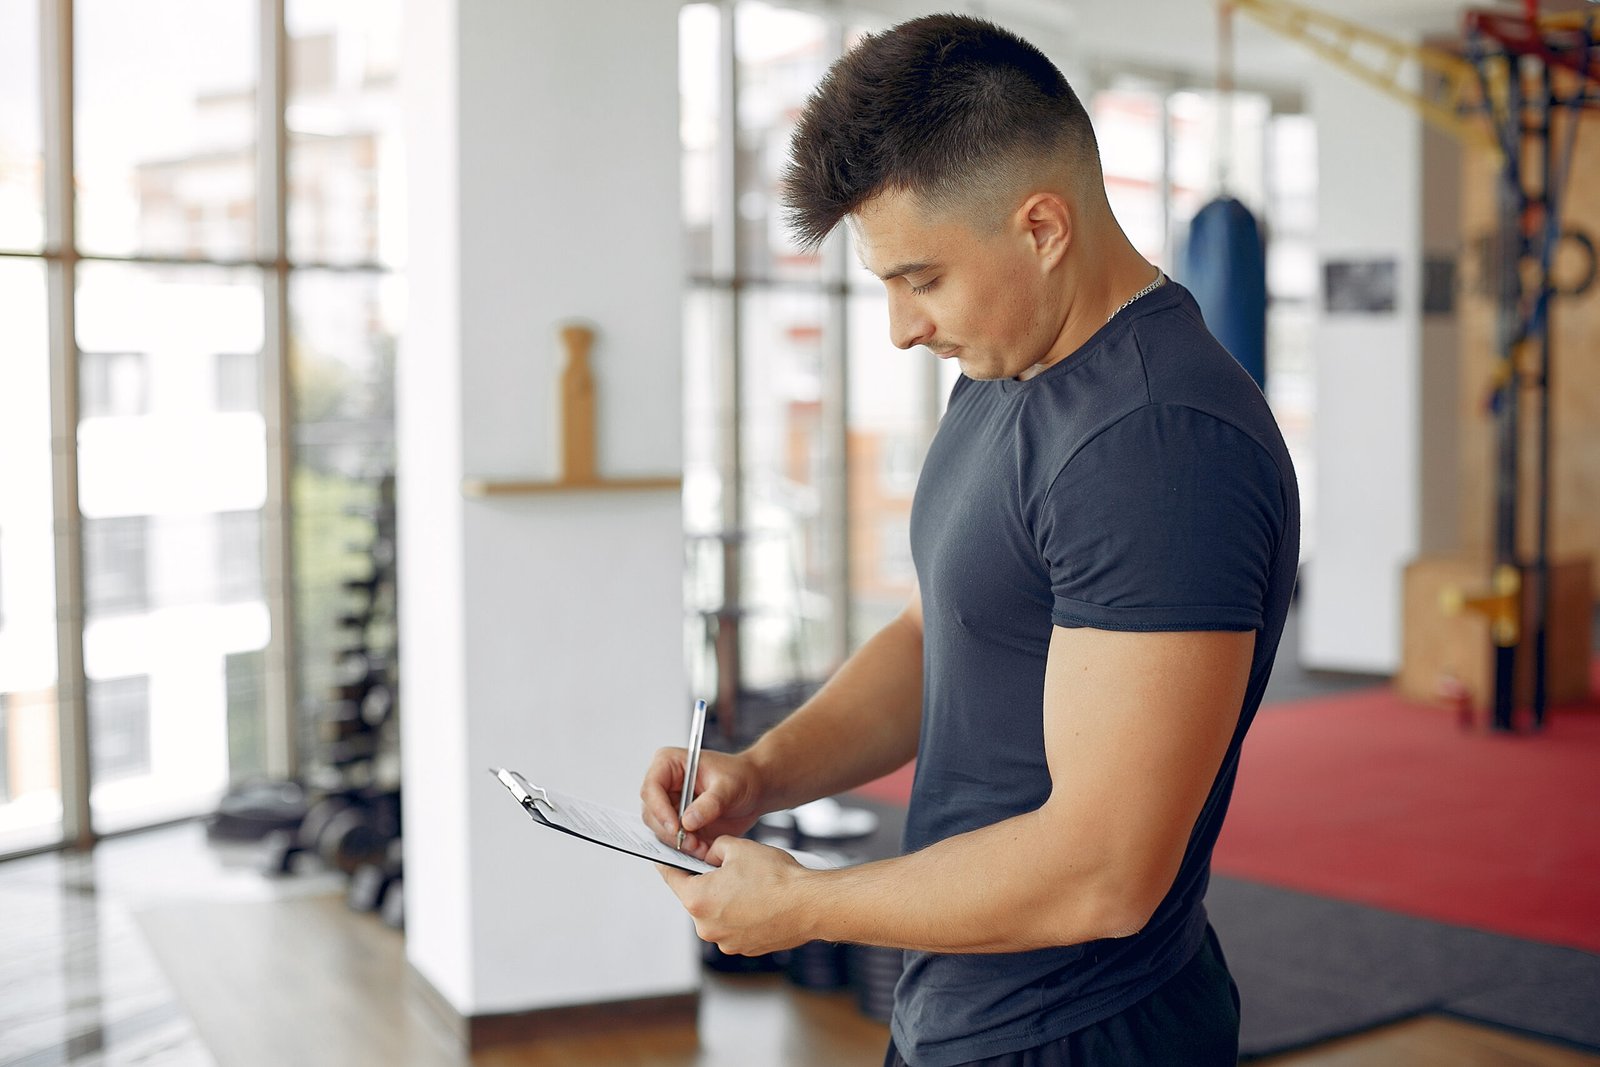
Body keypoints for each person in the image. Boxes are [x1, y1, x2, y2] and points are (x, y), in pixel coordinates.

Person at [641, 14, 1300, 1067]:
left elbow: (1105, 870)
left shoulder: (1158, 445)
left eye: (922, 278)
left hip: (1083, 1031)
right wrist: (763, 772)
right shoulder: (1003, 375)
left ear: (1042, 226)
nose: (904, 326)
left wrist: (809, 905)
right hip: (960, 1004)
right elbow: (940, 627)